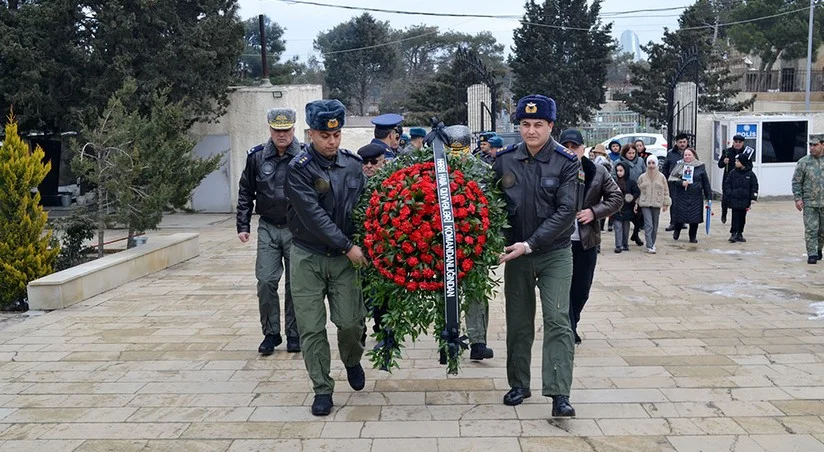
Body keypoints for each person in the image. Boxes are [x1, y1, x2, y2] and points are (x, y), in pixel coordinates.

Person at [494, 94, 582, 417]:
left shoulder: (566, 162)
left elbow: (565, 213)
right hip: (516, 255)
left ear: (551, 126)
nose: (531, 131)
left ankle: (559, 393)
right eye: (525, 124)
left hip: (554, 253)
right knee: (518, 322)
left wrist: (529, 243)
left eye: (538, 125)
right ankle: (519, 383)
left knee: (558, 320)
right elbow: (491, 206)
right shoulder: (503, 161)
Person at [286, 99, 368, 416]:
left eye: (336, 135)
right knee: (311, 327)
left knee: (350, 322)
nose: (331, 141)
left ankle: (351, 359)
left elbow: (364, 208)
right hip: (307, 256)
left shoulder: (352, 165)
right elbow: (313, 217)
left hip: (344, 260)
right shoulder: (298, 170)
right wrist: (349, 246)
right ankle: (322, 388)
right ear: (311, 134)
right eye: (324, 135)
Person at [237, 108, 302, 356]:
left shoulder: (304, 156)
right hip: (268, 227)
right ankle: (271, 333)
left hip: (297, 229)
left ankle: (295, 334)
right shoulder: (257, 157)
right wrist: (243, 225)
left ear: (294, 129)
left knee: (295, 285)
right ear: (270, 129)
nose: (282, 135)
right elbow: (246, 191)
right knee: (265, 281)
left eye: (286, 130)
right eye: (277, 130)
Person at [559, 129, 621, 346]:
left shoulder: (597, 171)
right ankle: (568, 328)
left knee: (581, 288)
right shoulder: (550, 169)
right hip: (558, 242)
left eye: (574, 146)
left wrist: (593, 212)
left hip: (586, 240)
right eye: (565, 146)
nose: (570, 151)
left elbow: (615, 197)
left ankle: (573, 320)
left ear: (582, 148)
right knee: (560, 288)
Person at [791, 133, 824, 264]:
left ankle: (818, 249)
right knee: (811, 229)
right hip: (810, 202)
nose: (812, 148)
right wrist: (798, 198)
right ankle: (812, 253)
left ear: (823, 145)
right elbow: (796, 182)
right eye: (810, 145)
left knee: (822, 230)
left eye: (815, 145)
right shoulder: (804, 162)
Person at [668, 148, 712, 243]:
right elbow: (672, 179)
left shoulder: (700, 166)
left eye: (689, 155)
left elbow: (705, 182)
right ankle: (677, 230)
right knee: (680, 216)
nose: (687, 157)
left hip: (696, 196)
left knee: (694, 218)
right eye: (685, 155)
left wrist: (708, 195)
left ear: (694, 156)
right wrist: (681, 183)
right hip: (681, 195)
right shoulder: (679, 165)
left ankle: (692, 236)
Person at [636, 156, 671, 254]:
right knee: (649, 224)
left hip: (657, 203)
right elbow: (638, 191)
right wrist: (636, 203)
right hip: (644, 203)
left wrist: (666, 203)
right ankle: (649, 245)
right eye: (649, 163)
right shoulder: (642, 177)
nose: (651, 165)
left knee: (655, 224)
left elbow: (666, 190)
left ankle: (652, 242)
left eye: (653, 163)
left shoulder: (661, 177)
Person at [719, 134, 755, 224]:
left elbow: (750, 166)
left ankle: (737, 218)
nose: (738, 144)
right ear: (733, 142)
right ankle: (724, 213)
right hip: (729, 178)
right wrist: (724, 161)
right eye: (736, 142)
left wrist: (744, 166)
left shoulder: (746, 153)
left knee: (739, 199)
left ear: (743, 143)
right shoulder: (727, 151)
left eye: (740, 142)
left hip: (741, 179)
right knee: (725, 197)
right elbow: (720, 164)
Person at [723, 153, 759, 243]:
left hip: (745, 200)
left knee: (742, 217)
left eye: (738, 161)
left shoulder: (750, 174)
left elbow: (754, 186)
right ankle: (733, 233)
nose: (736, 162)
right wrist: (730, 194)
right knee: (735, 216)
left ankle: (740, 233)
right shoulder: (733, 173)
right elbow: (727, 184)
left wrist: (753, 197)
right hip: (734, 199)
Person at [619, 143, 646, 247]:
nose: (631, 155)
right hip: (625, 193)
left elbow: (644, 173)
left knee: (639, 216)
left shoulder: (640, 161)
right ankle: (622, 240)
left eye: (633, 153)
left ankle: (635, 234)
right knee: (626, 217)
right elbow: (614, 176)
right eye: (629, 153)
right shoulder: (619, 162)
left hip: (637, 192)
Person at [662, 133, 690, 231]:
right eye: (680, 142)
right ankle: (673, 222)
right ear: (676, 143)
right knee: (674, 202)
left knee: (684, 202)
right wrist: (664, 178)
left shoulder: (691, 153)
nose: (682, 144)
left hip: (686, 181)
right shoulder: (671, 153)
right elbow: (665, 167)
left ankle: (682, 222)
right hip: (673, 181)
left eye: (684, 142)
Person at [612, 161, 640, 253]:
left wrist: (632, 198)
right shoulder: (614, 182)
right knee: (618, 227)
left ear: (626, 171)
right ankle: (618, 245)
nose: (619, 173)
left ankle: (625, 244)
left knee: (626, 227)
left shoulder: (631, 182)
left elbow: (637, 192)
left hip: (627, 208)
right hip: (616, 208)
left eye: (621, 170)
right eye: (617, 171)